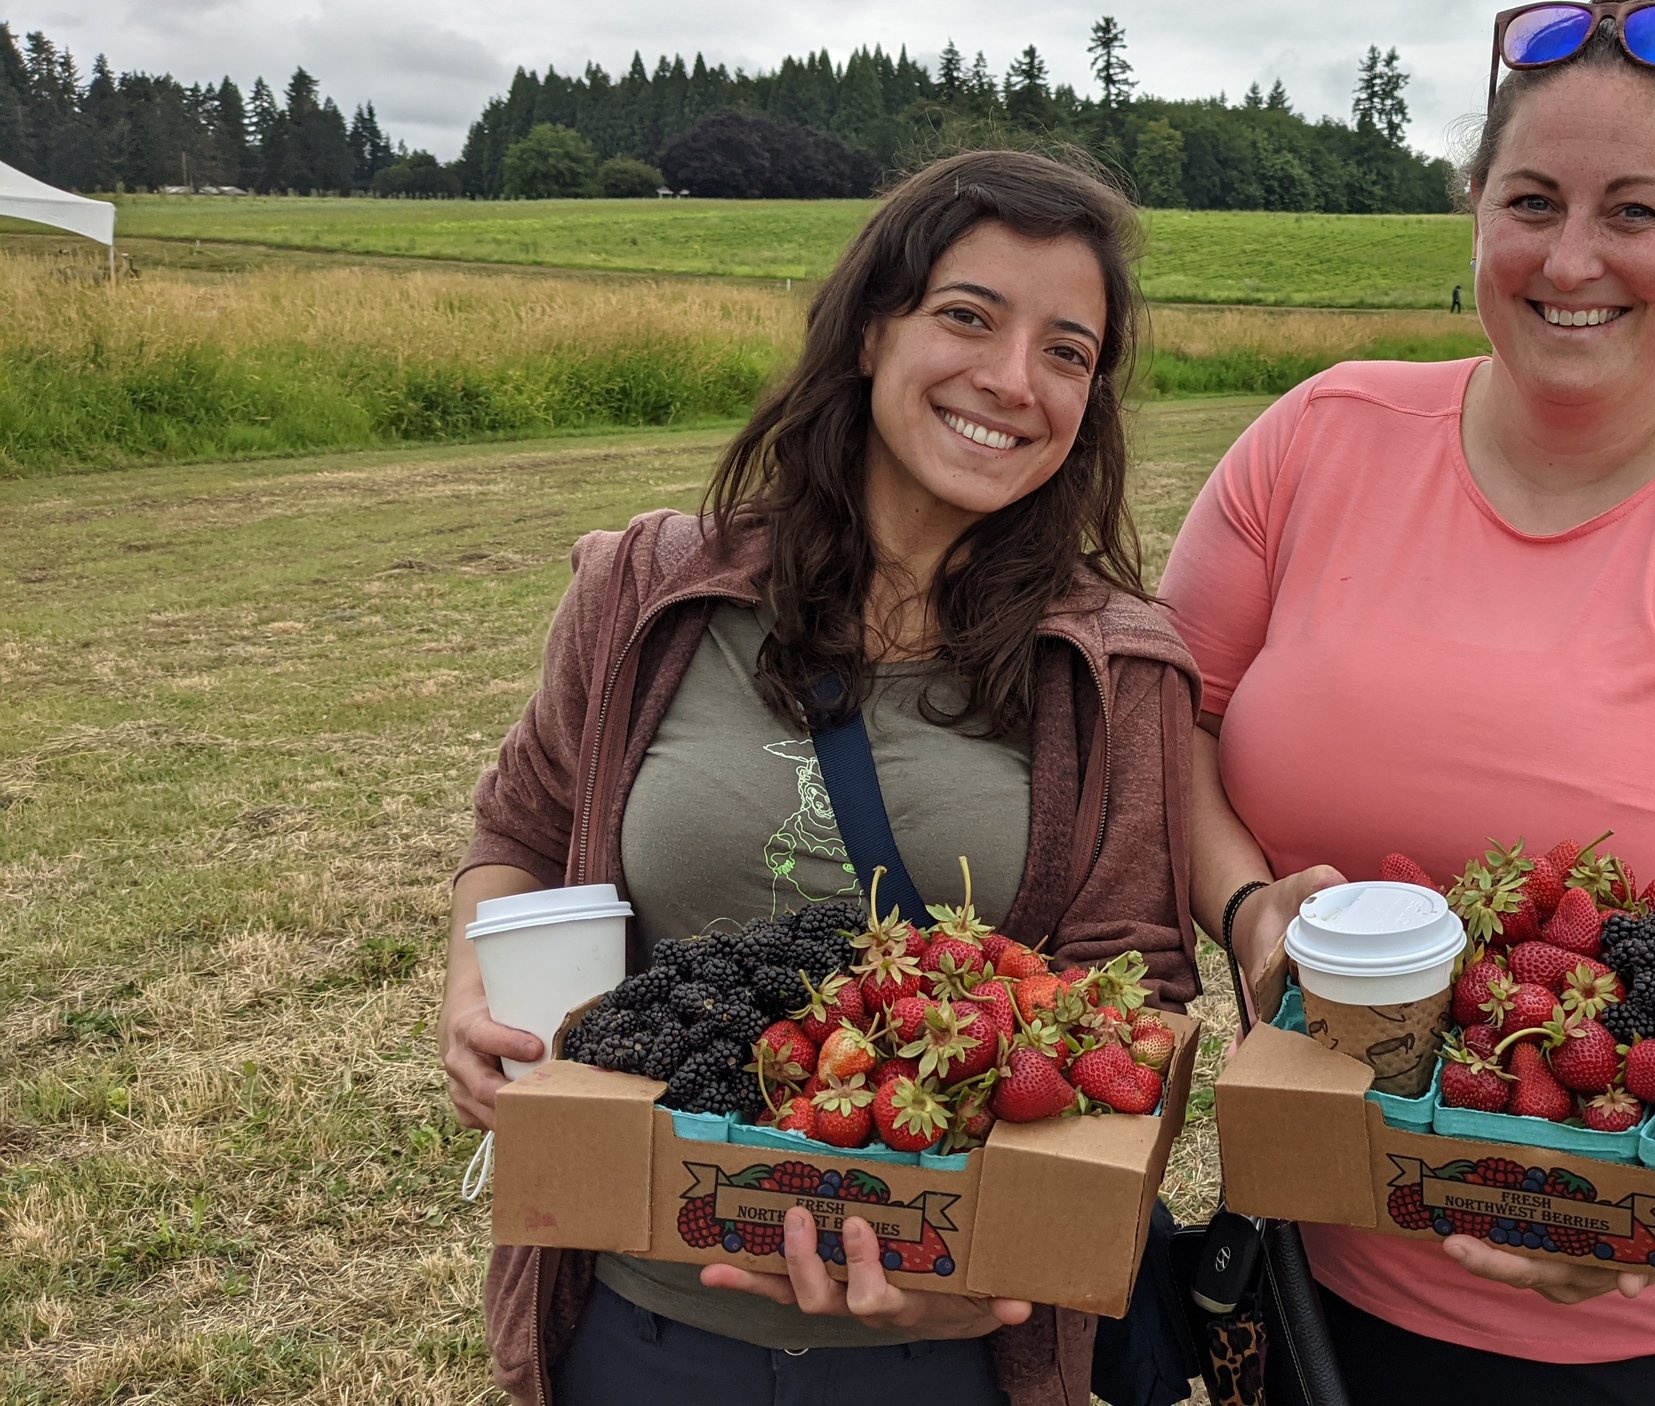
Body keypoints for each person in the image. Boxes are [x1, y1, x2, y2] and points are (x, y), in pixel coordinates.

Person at [1161, 4, 1655, 1403]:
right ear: (1475, 213)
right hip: (1305, 1266)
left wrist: (1631, 1210)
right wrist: (1245, 908)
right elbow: (1166, 729)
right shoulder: (1315, 443)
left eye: (1635, 209)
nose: (1571, 257)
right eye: (1530, 201)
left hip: (1631, 1341)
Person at [439, 149, 1203, 1406]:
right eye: (968, 315)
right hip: (634, 1314)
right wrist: (470, 988)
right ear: (866, 331)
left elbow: (1143, 1000)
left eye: (1067, 351)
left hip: (942, 1346)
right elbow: (514, 833)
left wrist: (978, 1268)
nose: (1012, 380)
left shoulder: (1116, 668)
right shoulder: (647, 589)